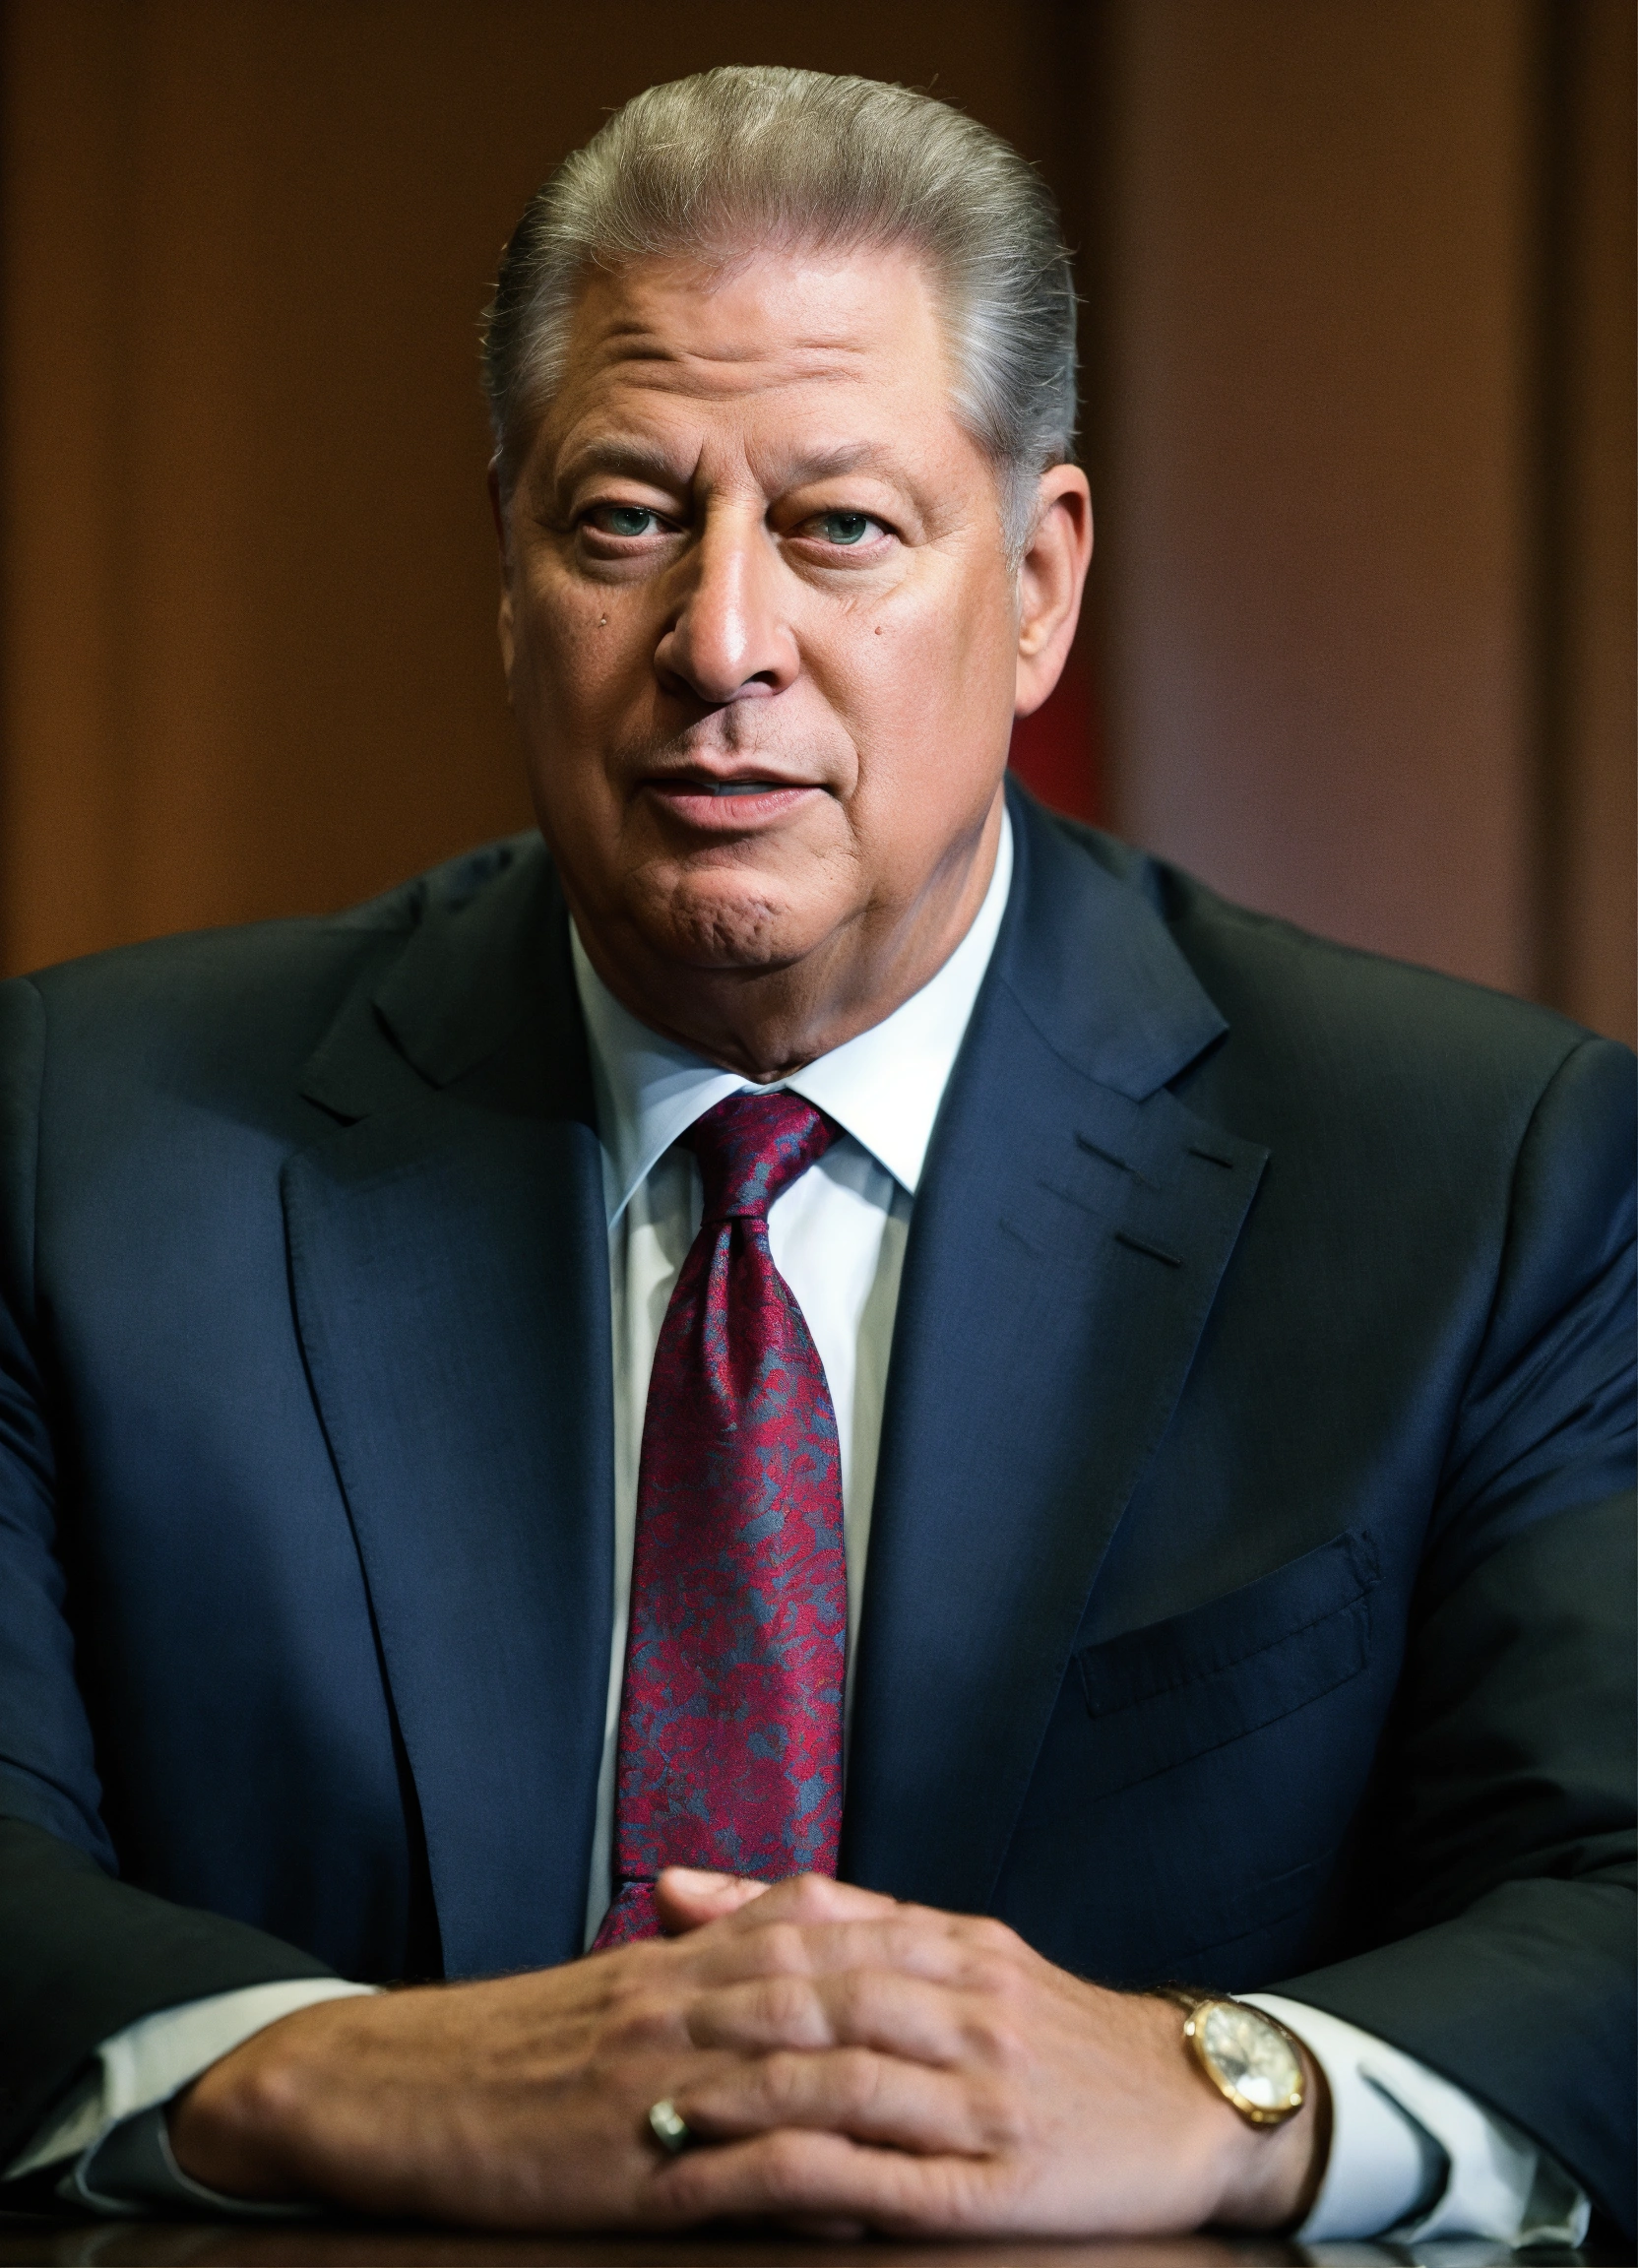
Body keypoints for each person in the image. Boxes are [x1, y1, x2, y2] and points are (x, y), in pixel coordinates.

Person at [0, 65, 1631, 2247]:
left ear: (1035, 586)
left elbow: (1612, 1894)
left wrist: (1221, 2089)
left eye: (840, 526)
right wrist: (327, 2071)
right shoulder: (90, 1142)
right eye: (623, 520)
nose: (721, 644)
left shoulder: (1471, 1178)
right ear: (509, 573)